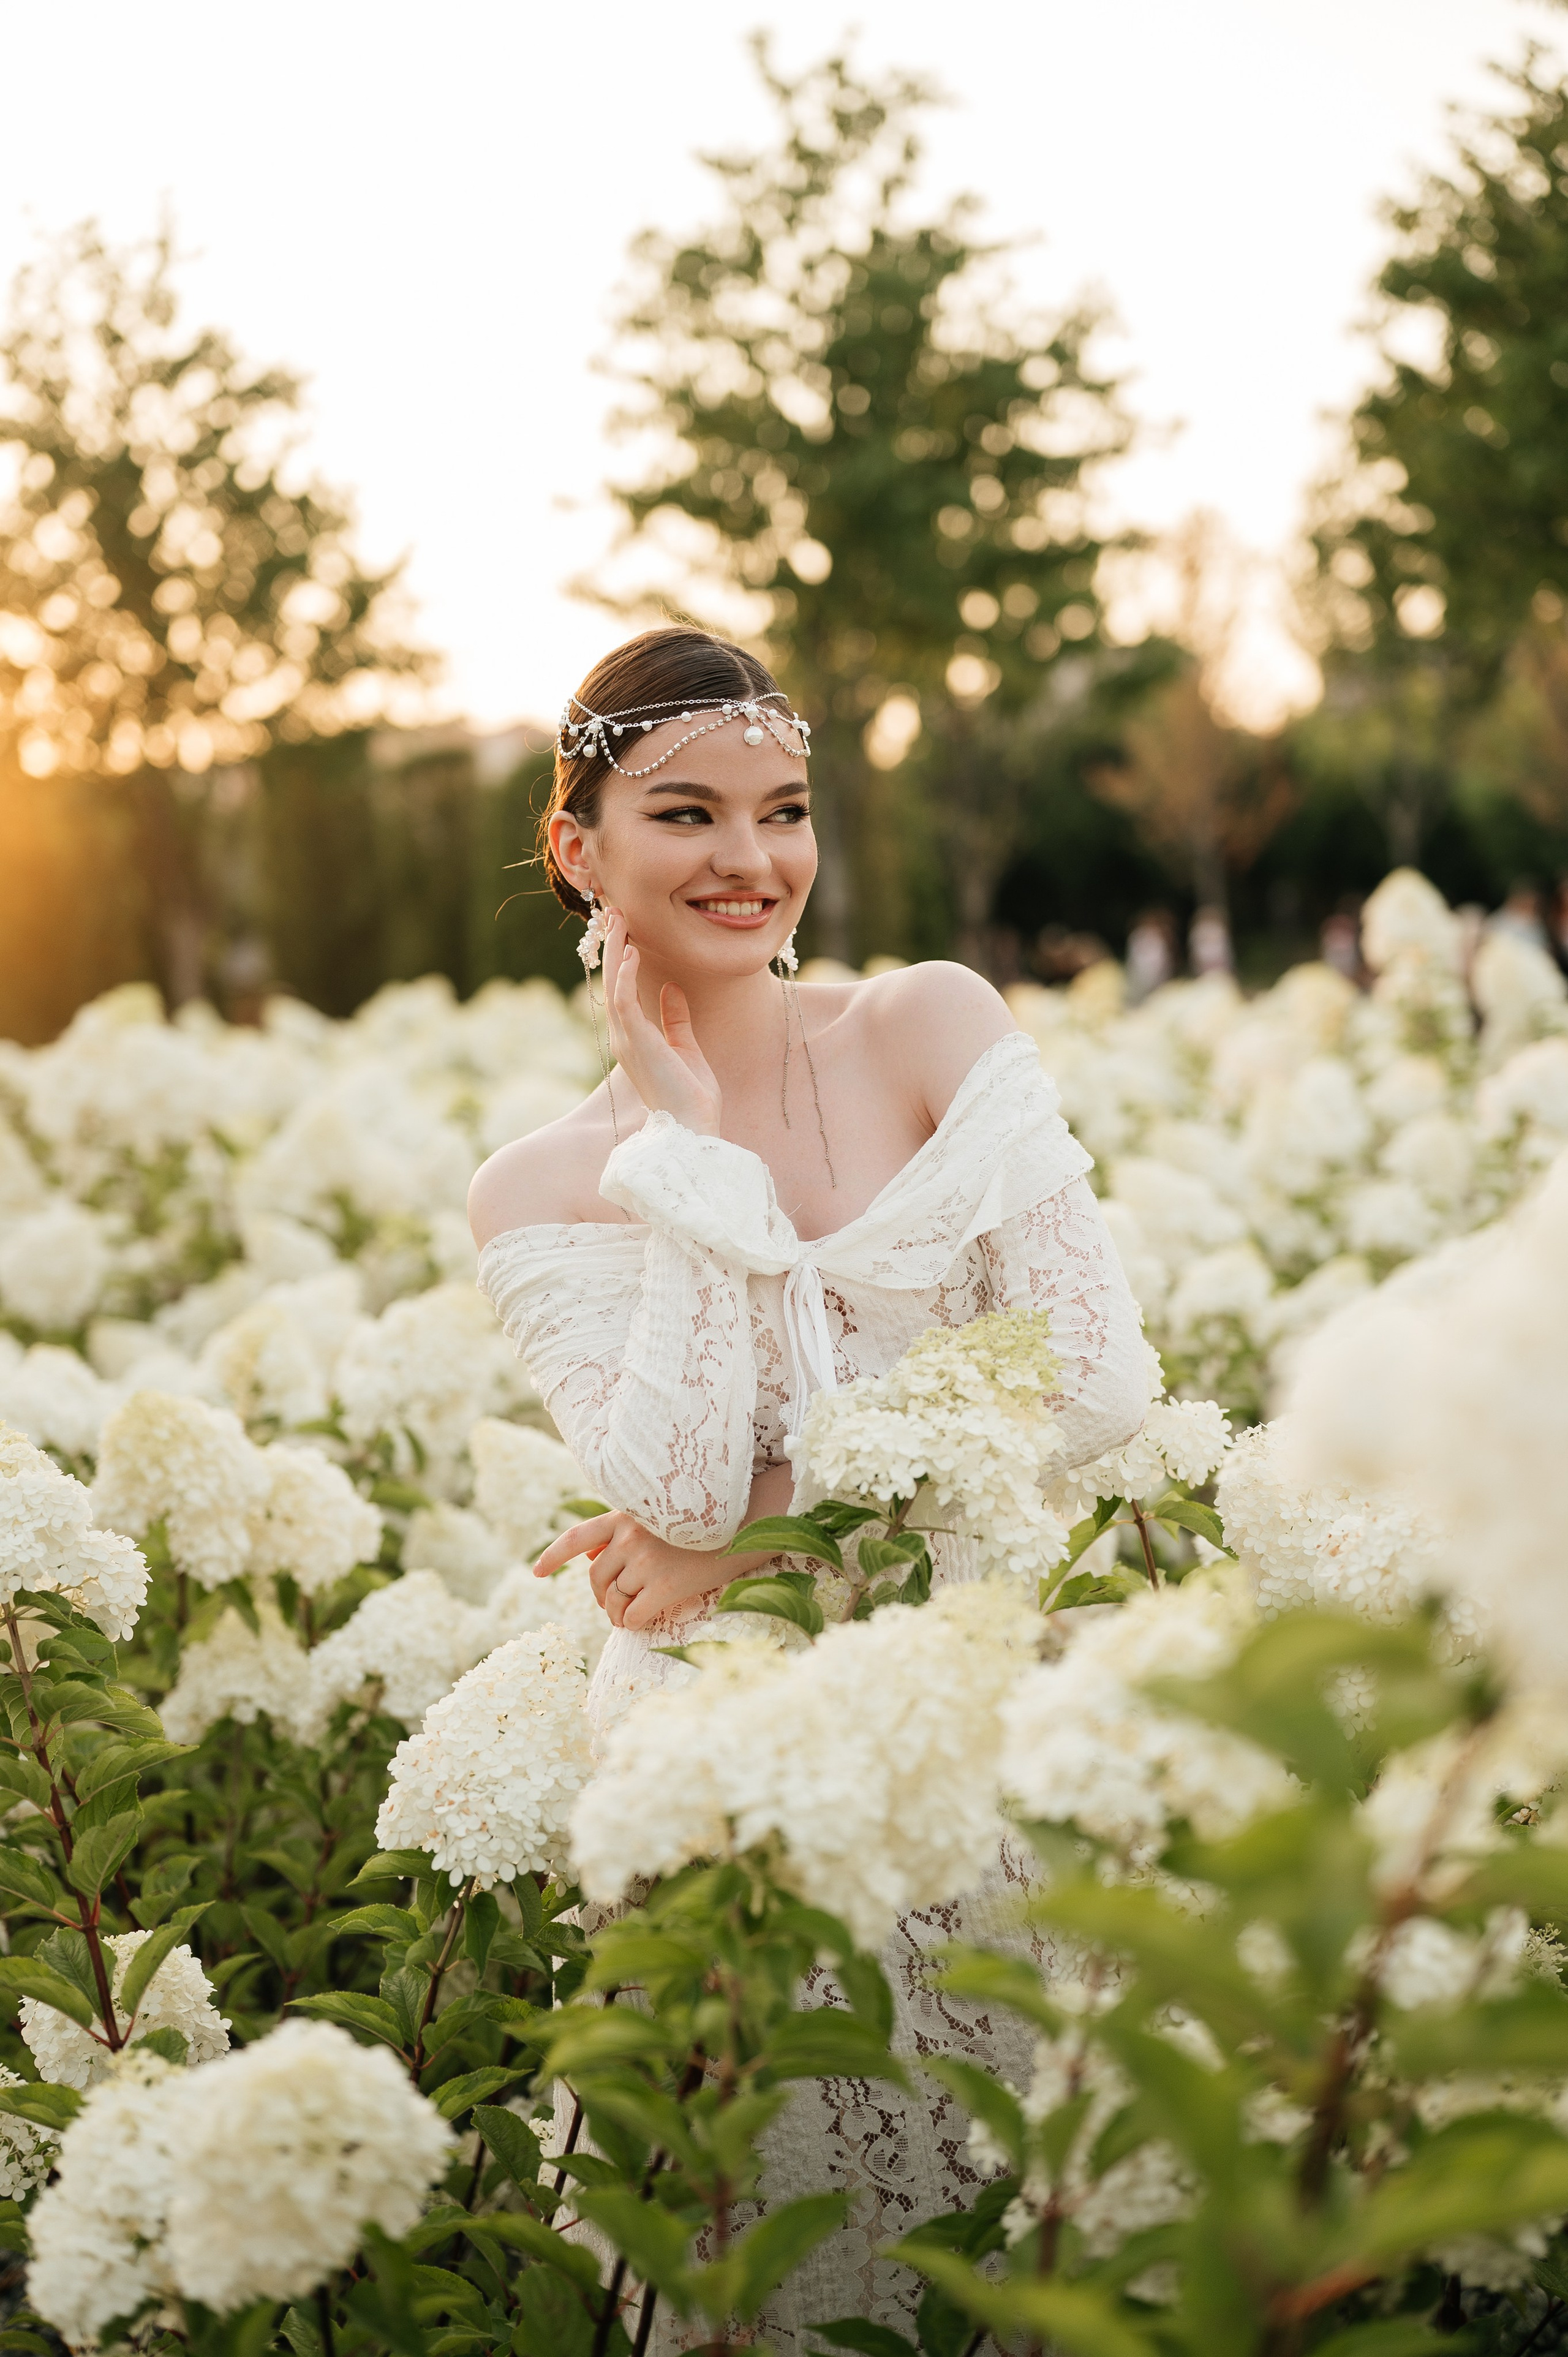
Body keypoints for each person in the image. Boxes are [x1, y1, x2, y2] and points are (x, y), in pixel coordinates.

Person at [467, 624, 1148, 2349]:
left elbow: (1093, 1384)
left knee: (1043, 2219)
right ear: (579, 850)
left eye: (783, 811)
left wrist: (769, 1528)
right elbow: (678, 1490)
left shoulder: (930, 1021)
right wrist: (683, 1145)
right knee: (773, 2246)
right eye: (687, 812)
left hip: (981, 1702)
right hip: (724, 1759)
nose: (751, 860)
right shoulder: (534, 1186)